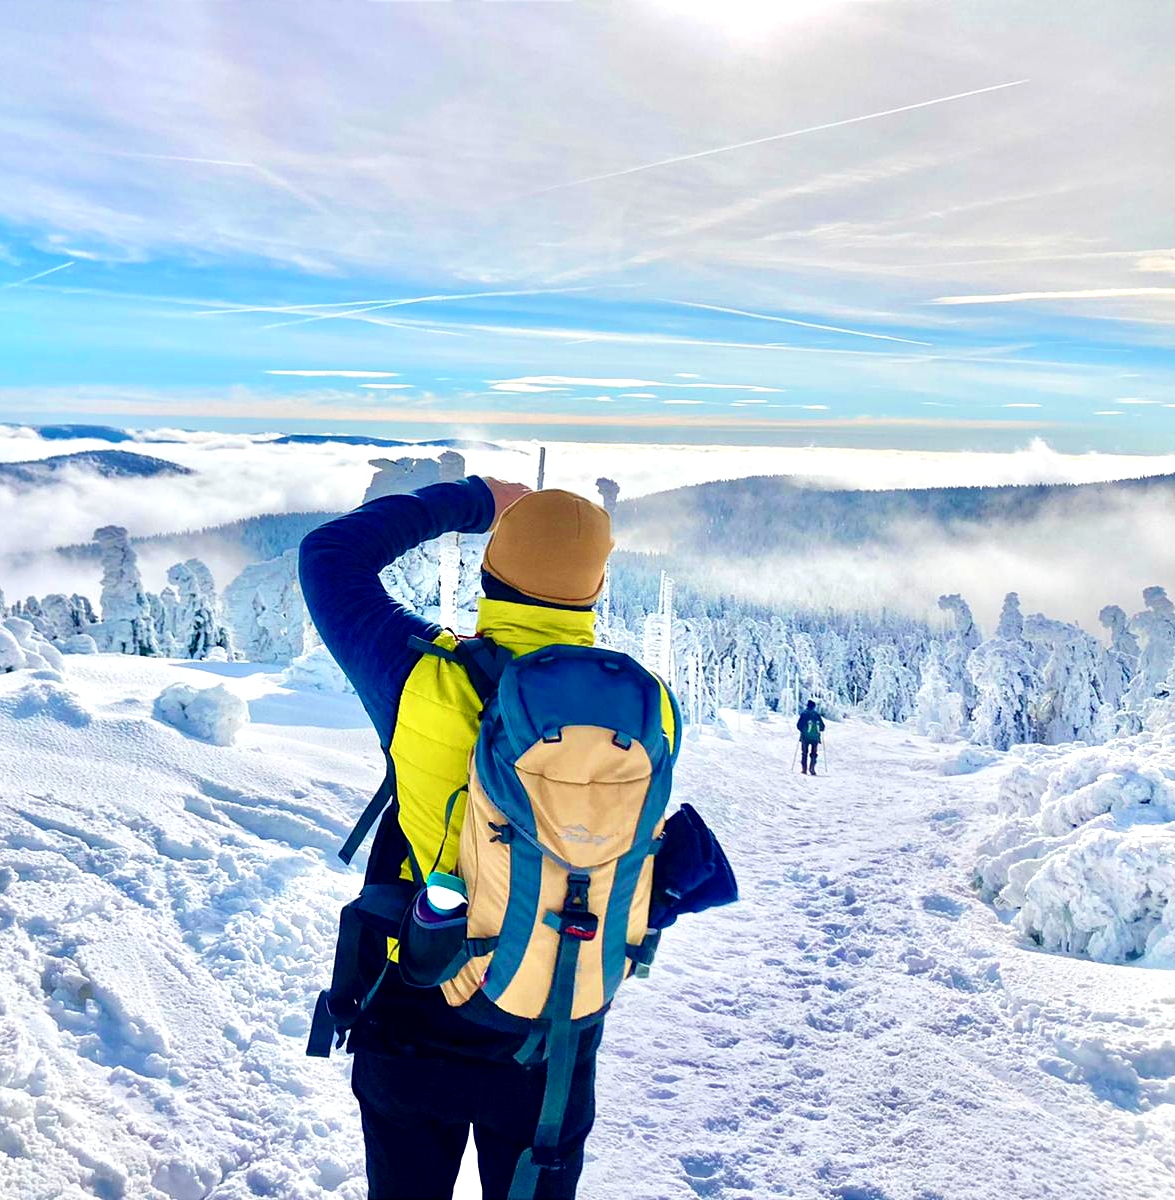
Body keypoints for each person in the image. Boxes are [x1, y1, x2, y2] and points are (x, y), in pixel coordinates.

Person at [299, 473, 734, 1200]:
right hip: (550, 1031)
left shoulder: (417, 676)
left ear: (488, 573)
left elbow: (330, 555)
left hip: (416, 1002)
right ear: (596, 592)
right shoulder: (648, 707)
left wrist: (475, 500)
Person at [797, 699, 825, 775]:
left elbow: (799, 725)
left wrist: (803, 730)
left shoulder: (804, 713)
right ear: (814, 706)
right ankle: (812, 768)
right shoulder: (817, 714)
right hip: (815, 738)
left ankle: (804, 769)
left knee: (804, 753)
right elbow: (822, 727)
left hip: (805, 737)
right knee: (813, 753)